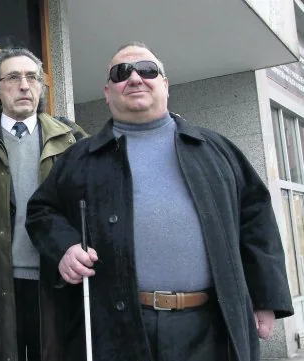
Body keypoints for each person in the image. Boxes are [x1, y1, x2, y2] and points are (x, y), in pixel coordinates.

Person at [25, 42, 294, 361]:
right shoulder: (79, 159)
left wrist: (265, 299)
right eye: (122, 73)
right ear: (108, 92)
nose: (136, 78)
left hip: (211, 328)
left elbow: (257, 222)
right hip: (116, 329)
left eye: (148, 70)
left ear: (165, 85)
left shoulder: (216, 151)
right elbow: (41, 211)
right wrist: (65, 248)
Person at [0, 47, 87, 361]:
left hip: (59, 282)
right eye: (13, 77)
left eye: (32, 77)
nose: (24, 85)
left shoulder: (73, 142)